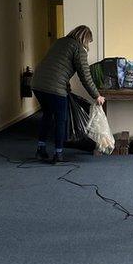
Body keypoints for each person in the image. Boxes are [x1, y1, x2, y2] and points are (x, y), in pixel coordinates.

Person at [32, 25, 104, 164]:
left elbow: (56, 68)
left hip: (37, 84)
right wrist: (97, 96)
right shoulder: (79, 48)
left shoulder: (59, 42)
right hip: (54, 88)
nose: (88, 44)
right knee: (61, 119)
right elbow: (85, 76)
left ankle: (41, 150)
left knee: (47, 115)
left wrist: (66, 86)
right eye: (89, 42)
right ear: (86, 39)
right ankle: (58, 154)